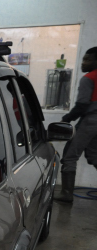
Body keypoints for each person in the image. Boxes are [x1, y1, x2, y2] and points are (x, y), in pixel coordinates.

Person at [55, 46, 97, 203]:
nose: (83, 62)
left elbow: (82, 105)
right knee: (93, 154)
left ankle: (66, 194)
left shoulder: (88, 78)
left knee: (69, 155)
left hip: (90, 120)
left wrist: (65, 119)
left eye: (88, 59)